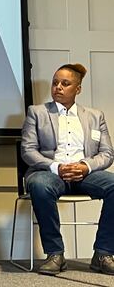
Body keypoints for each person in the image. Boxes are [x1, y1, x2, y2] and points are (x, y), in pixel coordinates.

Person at [21, 63, 113, 276]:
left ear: (78, 89)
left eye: (65, 83)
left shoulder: (94, 116)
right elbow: (28, 150)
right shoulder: (37, 112)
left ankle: (103, 253)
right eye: (55, 83)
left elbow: (107, 154)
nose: (58, 87)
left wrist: (85, 166)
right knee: (38, 185)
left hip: (85, 174)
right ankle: (55, 253)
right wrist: (57, 167)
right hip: (50, 173)